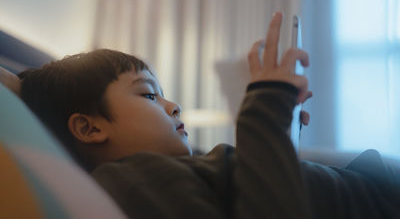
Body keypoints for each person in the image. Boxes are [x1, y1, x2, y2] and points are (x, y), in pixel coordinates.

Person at [19, 12, 400, 218]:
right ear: (89, 127)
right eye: (149, 95)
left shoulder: (165, 170)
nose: (173, 106)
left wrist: (275, 144)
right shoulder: (128, 179)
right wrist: (263, 117)